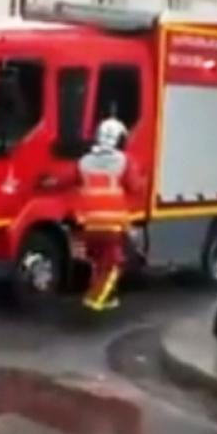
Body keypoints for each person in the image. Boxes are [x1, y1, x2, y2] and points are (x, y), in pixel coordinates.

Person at [75, 117, 143, 311]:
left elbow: (69, 180)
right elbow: (135, 186)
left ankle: (103, 294)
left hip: (89, 225)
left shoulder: (84, 162)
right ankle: (96, 300)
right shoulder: (124, 161)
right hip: (112, 226)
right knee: (114, 264)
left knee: (98, 263)